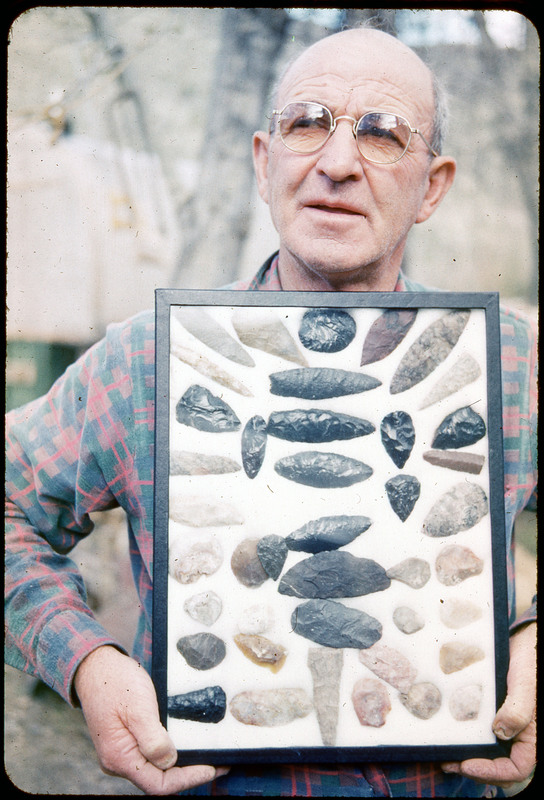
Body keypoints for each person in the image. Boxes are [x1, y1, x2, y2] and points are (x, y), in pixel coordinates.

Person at [5, 27, 536, 797]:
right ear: (264, 161)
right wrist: (87, 660)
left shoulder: (513, 366)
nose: (338, 163)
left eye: (384, 134)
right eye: (306, 123)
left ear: (434, 186)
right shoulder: (149, 360)